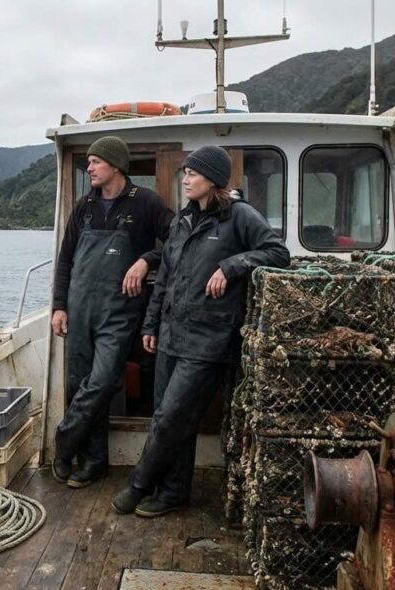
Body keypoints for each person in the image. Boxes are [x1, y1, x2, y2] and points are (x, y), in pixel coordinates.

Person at [112, 145, 290, 516]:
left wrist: (232, 265)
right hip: (171, 333)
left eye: (193, 173)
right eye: (186, 173)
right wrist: (151, 323)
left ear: (214, 179)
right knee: (174, 416)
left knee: (169, 417)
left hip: (208, 338)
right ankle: (174, 492)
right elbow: (166, 280)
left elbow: (277, 252)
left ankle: (139, 485)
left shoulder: (239, 217)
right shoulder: (182, 221)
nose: (186, 179)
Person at [51, 136, 174, 488]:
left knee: (102, 381)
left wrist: (146, 259)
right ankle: (93, 461)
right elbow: (65, 261)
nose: (89, 167)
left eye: (95, 162)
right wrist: (60, 306)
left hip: (118, 313)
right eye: (87, 161)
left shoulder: (145, 203)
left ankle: (63, 444)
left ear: (116, 166)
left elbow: (179, 241)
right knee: (79, 386)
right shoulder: (83, 208)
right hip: (78, 309)